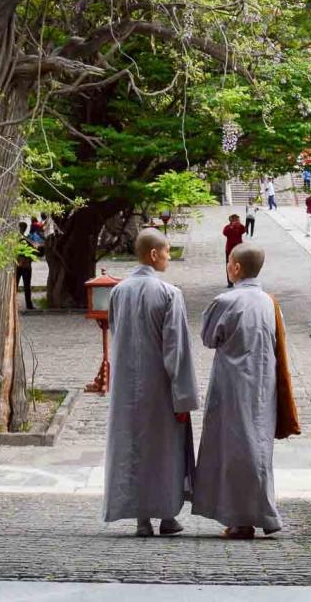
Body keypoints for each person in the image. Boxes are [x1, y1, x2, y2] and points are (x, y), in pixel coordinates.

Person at [103, 228, 199, 537]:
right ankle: (167, 516)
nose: (169, 258)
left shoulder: (118, 292)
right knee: (165, 452)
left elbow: (116, 336)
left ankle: (142, 520)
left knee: (133, 449)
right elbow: (177, 351)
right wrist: (184, 397)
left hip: (126, 391)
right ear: (154, 254)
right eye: (168, 252)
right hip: (160, 388)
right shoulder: (169, 293)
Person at [192, 244, 283, 539]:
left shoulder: (226, 300)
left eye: (229, 262)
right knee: (258, 444)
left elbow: (208, 337)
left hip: (232, 384)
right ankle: (264, 513)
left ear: (235, 268)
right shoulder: (269, 302)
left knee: (235, 448)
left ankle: (244, 518)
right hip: (264, 382)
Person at [16, 221, 35, 310]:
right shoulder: (27, 240)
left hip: (22, 266)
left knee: (26, 286)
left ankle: (29, 305)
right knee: (25, 286)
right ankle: (28, 305)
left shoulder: (26, 240)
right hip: (22, 266)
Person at [223, 214, 246, 287]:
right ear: (232, 220)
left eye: (238, 220)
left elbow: (244, 230)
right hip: (229, 249)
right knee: (229, 265)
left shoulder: (240, 227)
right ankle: (230, 282)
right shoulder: (227, 227)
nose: (237, 221)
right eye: (236, 220)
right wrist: (231, 227)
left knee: (240, 265)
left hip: (239, 249)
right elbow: (225, 233)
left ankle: (240, 280)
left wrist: (239, 224)